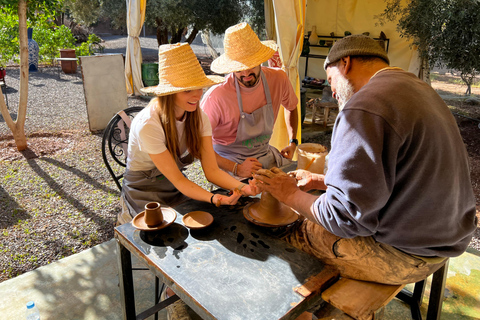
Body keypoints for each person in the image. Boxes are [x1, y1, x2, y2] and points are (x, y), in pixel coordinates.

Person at [254, 34, 477, 287]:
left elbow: (343, 219)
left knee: (287, 235)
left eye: (330, 81)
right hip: (444, 239)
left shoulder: (363, 106)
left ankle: (309, 313)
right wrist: (323, 181)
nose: (333, 92)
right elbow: (398, 175)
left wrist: (288, 195)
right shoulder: (418, 88)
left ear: (345, 63)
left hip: (404, 255)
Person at [119, 43, 259, 223]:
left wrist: (244, 188)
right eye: (187, 90)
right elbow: (180, 181)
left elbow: (212, 171)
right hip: (143, 188)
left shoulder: (198, 116)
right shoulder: (148, 124)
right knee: (160, 230)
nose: (197, 95)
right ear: (169, 93)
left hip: (172, 184)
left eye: (199, 87)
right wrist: (214, 198)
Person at [200, 22, 299, 179]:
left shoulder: (278, 78)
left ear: (260, 60)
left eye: (251, 65)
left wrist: (293, 142)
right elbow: (199, 146)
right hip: (229, 161)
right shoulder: (216, 97)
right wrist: (237, 169)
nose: (246, 72)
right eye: (239, 68)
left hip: (264, 154)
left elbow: (292, 106)